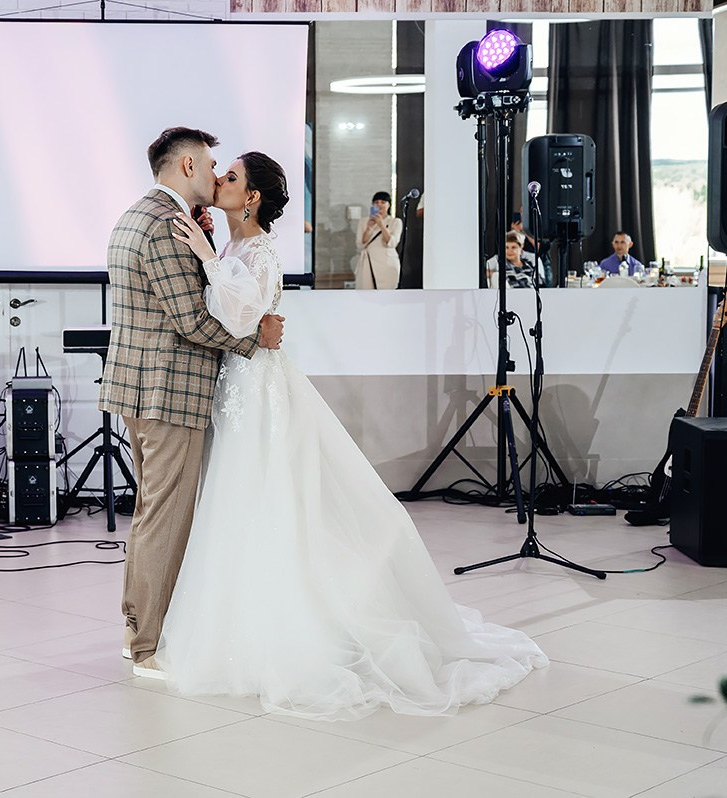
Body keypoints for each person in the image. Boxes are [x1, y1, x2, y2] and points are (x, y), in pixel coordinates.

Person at [160, 152, 547, 720]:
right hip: (235, 385)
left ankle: (294, 629)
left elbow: (242, 315)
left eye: (232, 177)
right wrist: (213, 255)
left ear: (253, 198)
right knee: (236, 498)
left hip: (260, 388)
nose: (219, 181)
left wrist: (205, 258)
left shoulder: (260, 249)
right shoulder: (232, 246)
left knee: (270, 496)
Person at [99, 127, 285, 678]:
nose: (214, 175)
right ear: (186, 167)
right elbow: (191, 320)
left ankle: (138, 628)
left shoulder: (140, 215)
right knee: (164, 519)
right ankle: (146, 644)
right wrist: (255, 340)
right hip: (169, 393)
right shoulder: (165, 224)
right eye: (209, 166)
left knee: (152, 514)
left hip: (142, 390)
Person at [355, 191, 402, 289]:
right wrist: (369, 228)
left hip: (387, 263)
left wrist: (381, 224)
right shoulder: (363, 221)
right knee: (366, 292)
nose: (379, 204)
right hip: (368, 262)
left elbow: (392, 243)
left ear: (389, 205)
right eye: (376, 202)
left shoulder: (395, 222)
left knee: (386, 293)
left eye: (383, 202)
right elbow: (360, 244)